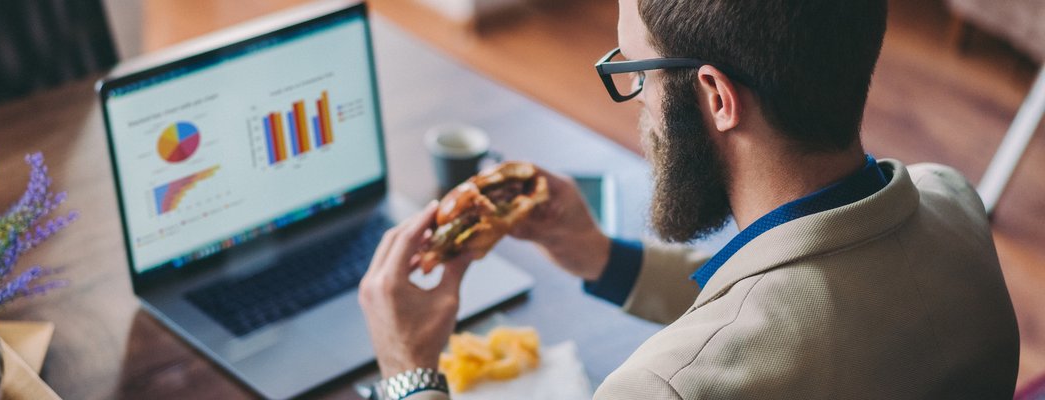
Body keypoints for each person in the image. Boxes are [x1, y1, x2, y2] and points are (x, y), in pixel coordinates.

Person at [358, 0, 1020, 398]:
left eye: (632, 71)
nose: (639, 106)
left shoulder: (667, 387)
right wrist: (597, 255)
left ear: (715, 97)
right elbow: (792, 306)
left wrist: (407, 370)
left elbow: (754, 336)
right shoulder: (953, 204)